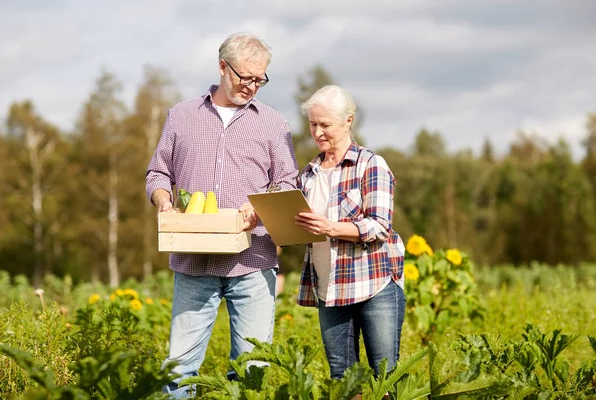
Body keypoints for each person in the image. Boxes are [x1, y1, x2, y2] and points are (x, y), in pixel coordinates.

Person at [145, 32, 298, 398]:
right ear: (222, 66)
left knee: (252, 370)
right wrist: (164, 202)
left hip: (254, 262)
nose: (251, 86)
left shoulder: (273, 123)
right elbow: (158, 172)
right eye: (244, 77)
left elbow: (287, 183)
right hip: (194, 262)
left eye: (259, 79)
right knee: (179, 369)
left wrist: (259, 204)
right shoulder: (181, 116)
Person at [294, 85, 406, 394]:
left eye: (325, 125)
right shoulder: (310, 173)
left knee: (385, 377)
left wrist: (331, 228)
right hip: (329, 288)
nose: (318, 132)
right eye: (313, 124)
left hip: (374, 285)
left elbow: (380, 226)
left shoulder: (371, 165)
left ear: (348, 122)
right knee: (343, 380)